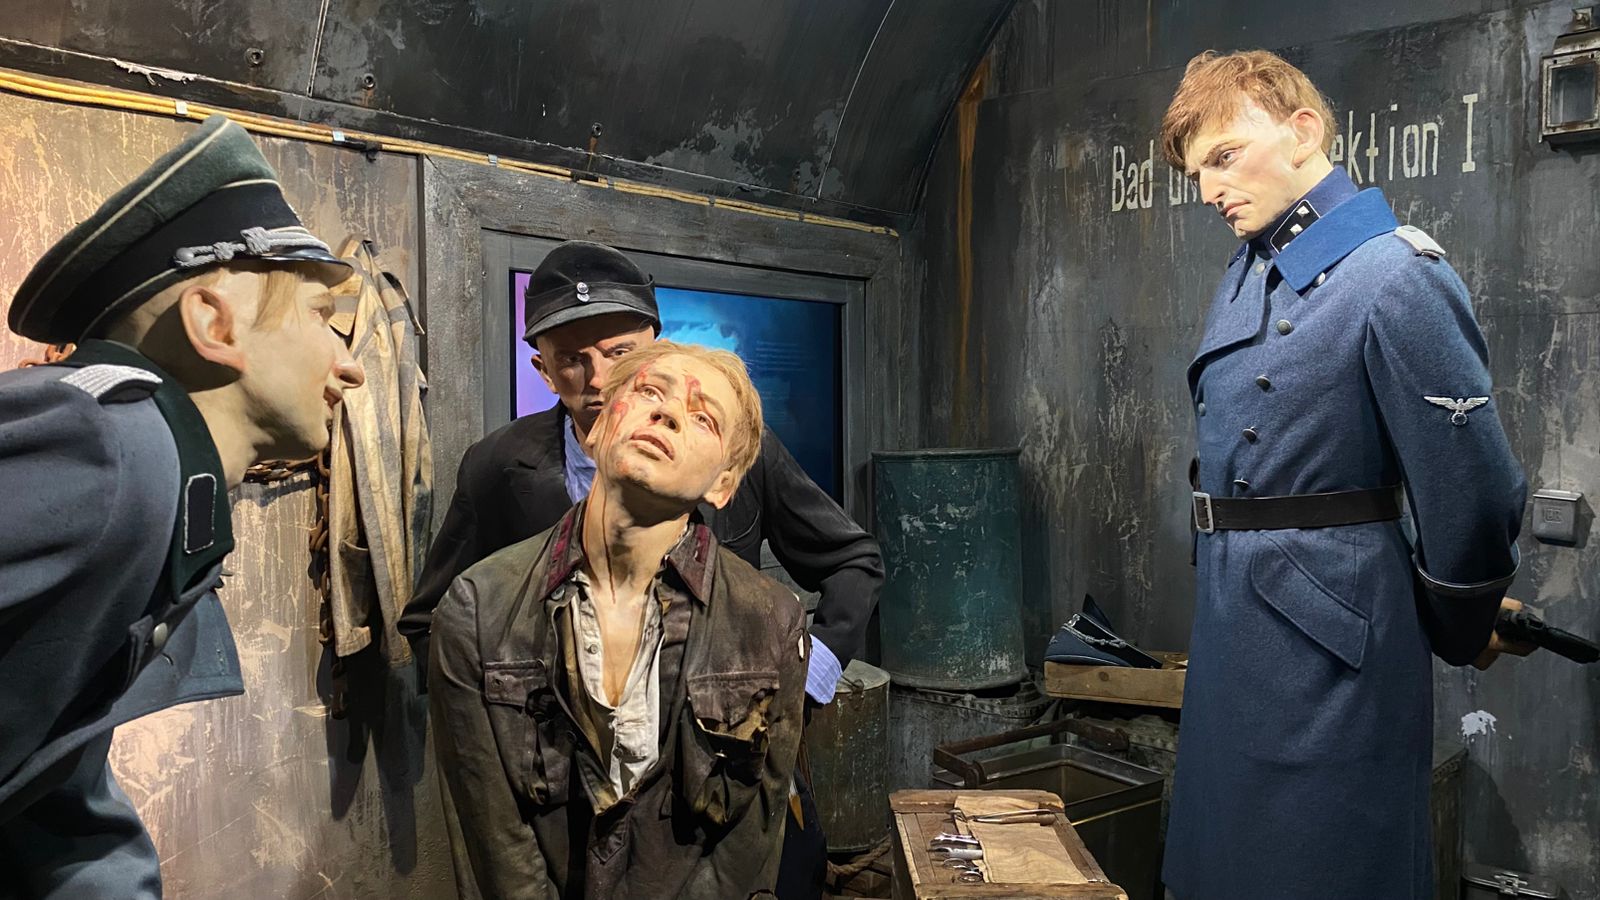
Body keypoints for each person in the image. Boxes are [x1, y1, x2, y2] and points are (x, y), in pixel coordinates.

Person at [401, 239, 883, 896]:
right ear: (543, 370)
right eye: (572, 360)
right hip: (565, 811)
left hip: (716, 782)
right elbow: (436, 621)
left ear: (654, 346)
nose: (599, 380)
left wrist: (794, 683)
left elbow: (853, 559)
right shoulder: (496, 469)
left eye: (621, 354)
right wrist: (520, 720)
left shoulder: (733, 451)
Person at [1159, 50, 1528, 898]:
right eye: (1196, 172)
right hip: (1237, 619)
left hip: (1329, 645)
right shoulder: (1254, 268)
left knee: (1321, 861)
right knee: (1229, 864)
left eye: (1223, 156)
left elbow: (1470, 491)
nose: (1208, 190)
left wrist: (1461, 621)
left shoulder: (1395, 275)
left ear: (1302, 132)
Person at [0, 115, 364, 899]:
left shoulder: (162, 471)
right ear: (213, 323)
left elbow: (49, 772)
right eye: (320, 317)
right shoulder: (105, 446)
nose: (351, 364)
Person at [430, 340, 807, 899]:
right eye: (650, 392)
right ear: (598, 428)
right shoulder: (477, 609)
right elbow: (495, 847)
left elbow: (747, 849)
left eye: (703, 418)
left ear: (723, 484)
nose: (668, 413)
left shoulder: (771, 623)